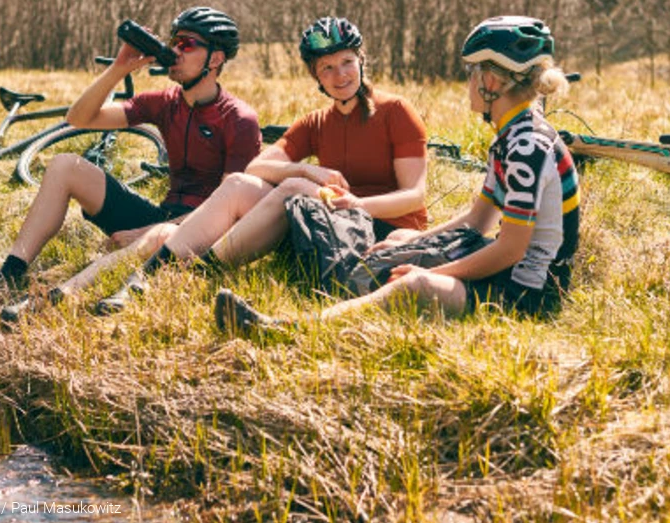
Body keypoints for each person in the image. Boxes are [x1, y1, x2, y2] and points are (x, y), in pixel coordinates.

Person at [214, 15, 580, 332]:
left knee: (414, 287)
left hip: (527, 293)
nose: (468, 83)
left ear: (492, 82)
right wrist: (412, 243)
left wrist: (435, 275)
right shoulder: (512, 137)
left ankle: (288, 330)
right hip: (508, 271)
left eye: (472, 73)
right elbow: (477, 220)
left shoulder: (526, 148)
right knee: (402, 247)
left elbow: (510, 249)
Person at [96, 16, 429, 313]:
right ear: (316, 76)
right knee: (241, 185)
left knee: (296, 189)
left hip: (384, 229)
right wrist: (306, 169)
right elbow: (255, 168)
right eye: (327, 67)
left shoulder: (395, 111)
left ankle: (198, 274)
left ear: (361, 62)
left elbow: (414, 194)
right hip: (329, 230)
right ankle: (145, 278)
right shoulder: (316, 122)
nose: (339, 74)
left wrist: (357, 203)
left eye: (347, 62)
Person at [0, 6, 262, 320]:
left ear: (215, 59)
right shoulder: (164, 102)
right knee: (64, 165)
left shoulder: (239, 118)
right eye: (174, 41)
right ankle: (8, 275)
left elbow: (227, 208)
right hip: (162, 216)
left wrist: (148, 230)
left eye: (186, 44)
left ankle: (55, 299)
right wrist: (119, 68)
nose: (175, 50)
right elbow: (79, 118)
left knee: (160, 235)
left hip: (203, 234)